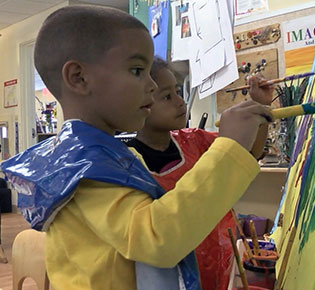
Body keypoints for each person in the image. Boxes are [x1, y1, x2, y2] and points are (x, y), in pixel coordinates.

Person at [0, 5, 273, 290]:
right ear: (79, 78)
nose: (153, 86)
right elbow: (158, 239)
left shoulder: (106, 155)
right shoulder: (82, 168)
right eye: (137, 70)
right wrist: (228, 148)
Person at [126, 58, 273, 290]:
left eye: (177, 91)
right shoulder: (128, 164)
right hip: (175, 274)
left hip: (221, 260)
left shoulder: (196, 139)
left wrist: (260, 107)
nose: (180, 101)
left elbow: (250, 153)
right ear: (142, 103)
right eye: (167, 97)